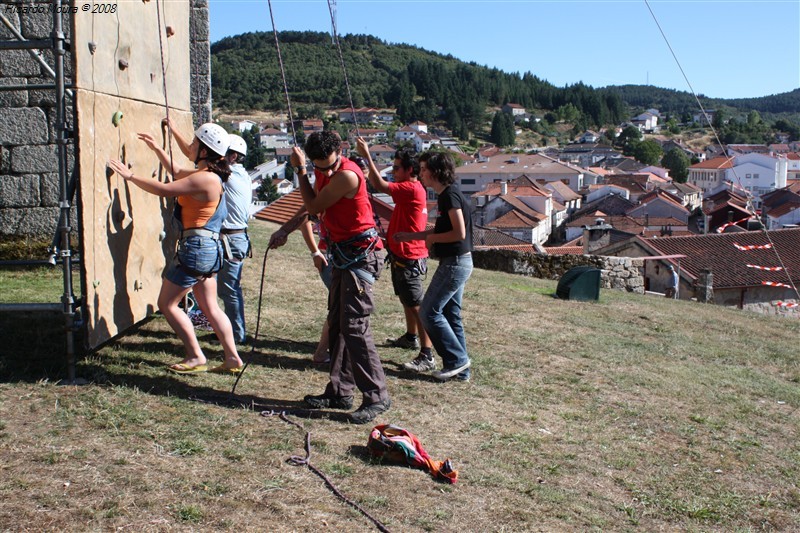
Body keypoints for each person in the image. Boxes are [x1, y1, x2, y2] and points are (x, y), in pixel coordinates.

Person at [107, 123, 244, 375]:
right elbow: (177, 170)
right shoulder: (211, 176)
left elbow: (165, 189)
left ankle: (195, 355)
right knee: (210, 307)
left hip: (197, 248)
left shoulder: (204, 178)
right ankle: (233, 358)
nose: (190, 147)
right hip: (209, 249)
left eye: (194, 144)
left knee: (168, 304)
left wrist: (129, 177)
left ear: (204, 151)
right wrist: (157, 148)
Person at [291, 130, 391, 424]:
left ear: (340, 152)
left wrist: (300, 170)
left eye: (330, 165)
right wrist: (285, 229)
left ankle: (377, 396)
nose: (326, 171)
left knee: (355, 325)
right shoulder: (326, 171)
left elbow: (313, 206)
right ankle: (340, 390)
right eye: (319, 167)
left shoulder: (347, 175)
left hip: (361, 256)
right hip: (345, 255)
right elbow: (313, 202)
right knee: (338, 323)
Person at [163, 118, 252, 344]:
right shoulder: (241, 174)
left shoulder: (224, 175)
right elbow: (195, 155)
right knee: (222, 294)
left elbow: (191, 160)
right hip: (235, 237)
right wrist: (174, 130)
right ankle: (233, 338)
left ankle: (237, 335)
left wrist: (176, 132)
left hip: (229, 238)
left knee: (228, 291)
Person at [355, 138, 434, 373]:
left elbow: (379, 185)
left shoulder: (410, 187)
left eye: (397, 167)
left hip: (410, 256)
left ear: (410, 170)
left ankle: (427, 354)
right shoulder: (411, 189)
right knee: (407, 301)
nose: (395, 171)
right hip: (405, 255)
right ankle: (411, 338)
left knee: (417, 305)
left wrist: (367, 156)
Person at [395, 151, 473, 382]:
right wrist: (414, 235)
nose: (421, 173)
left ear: (437, 172)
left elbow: (458, 233)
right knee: (451, 314)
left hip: (455, 263)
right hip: (460, 261)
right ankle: (462, 370)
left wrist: (433, 240)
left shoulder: (449, 196)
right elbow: (441, 230)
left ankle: (457, 360)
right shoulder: (449, 194)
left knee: (429, 311)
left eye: (424, 169)